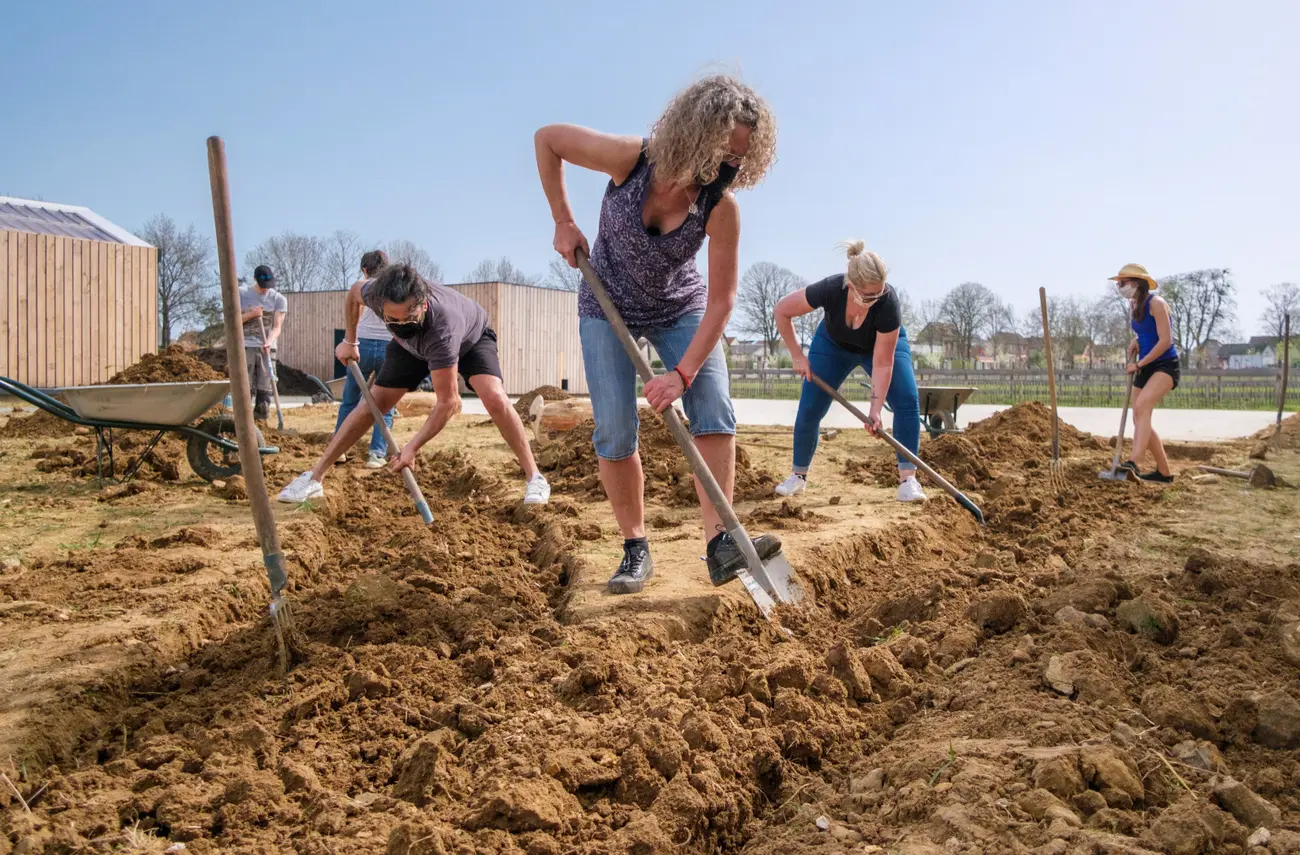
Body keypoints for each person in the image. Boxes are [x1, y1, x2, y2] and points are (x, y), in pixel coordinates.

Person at [534, 74, 781, 595]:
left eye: (739, 160)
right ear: (695, 135)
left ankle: (721, 543)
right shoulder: (631, 160)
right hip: (607, 304)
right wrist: (563, 220)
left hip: (679, 307)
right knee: (615, 431)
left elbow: (722, 302)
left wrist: (683, 373)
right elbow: (547, 139)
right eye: (724, 155)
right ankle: (635, 546)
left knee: (714, 402)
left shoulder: (720, 208)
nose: (730, 169)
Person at [277, 263, 550, 504]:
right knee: (370, 405)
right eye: (391, 319)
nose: (400, 323)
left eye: (408, 318)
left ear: (424, 304)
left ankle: (534, 477)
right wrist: (350, 340)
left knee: (494, 397)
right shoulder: (374, 293)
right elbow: (353, 293)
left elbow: (449, 403)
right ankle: (314, 478)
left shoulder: (444, 327)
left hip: (470, 341)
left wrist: (412, 447)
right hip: (409, 349)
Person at [772, 242, 927, 502]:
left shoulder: (887, 303)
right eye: (867, 296)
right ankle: (798, 477)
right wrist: (797, 355)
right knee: (810, 407)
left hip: (881, 348)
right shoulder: (831, 289)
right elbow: (782, 310)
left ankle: (908, 481)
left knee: (907, 400)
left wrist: (875, 409)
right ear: (850, 285)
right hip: (833, 344)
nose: (873, 300)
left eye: (877, 294)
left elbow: (882, 363)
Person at [1111, 263, 1178, 483]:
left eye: (1123, 282)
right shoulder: (1135, 305)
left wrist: (1139, 365)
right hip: (1145, 364)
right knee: (1139, 418)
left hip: (1164, 365)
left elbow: (1165, 340)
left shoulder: (1156, 303)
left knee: (1142, 407)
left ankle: (1134, 462)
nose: (1120, 286)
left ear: (1137, 283)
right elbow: (1148, 333)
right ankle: (1164, 473)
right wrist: (1137, 340)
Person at [332, 249, 395, 469]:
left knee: (350, 400)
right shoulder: (394, 286)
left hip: (363, 345)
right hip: (390, 347)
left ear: (365, 269)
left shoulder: (362, 286)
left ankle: (338, 450)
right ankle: (376, 455)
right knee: (385, 404)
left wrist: (352, 341)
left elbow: (354, 308)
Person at [238, 265, 288, 422]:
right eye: (262, 285)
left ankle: (261, 423)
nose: (266, 289)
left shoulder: (279, 299)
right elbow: (232, 321)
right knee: (245, 388)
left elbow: (277, 327)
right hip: (245, 346)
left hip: (267, 347)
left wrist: (269, 341)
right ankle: (243, 424)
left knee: (265, 388)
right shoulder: (241, 294)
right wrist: (251, 314)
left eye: (268, 285)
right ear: (254, 279)